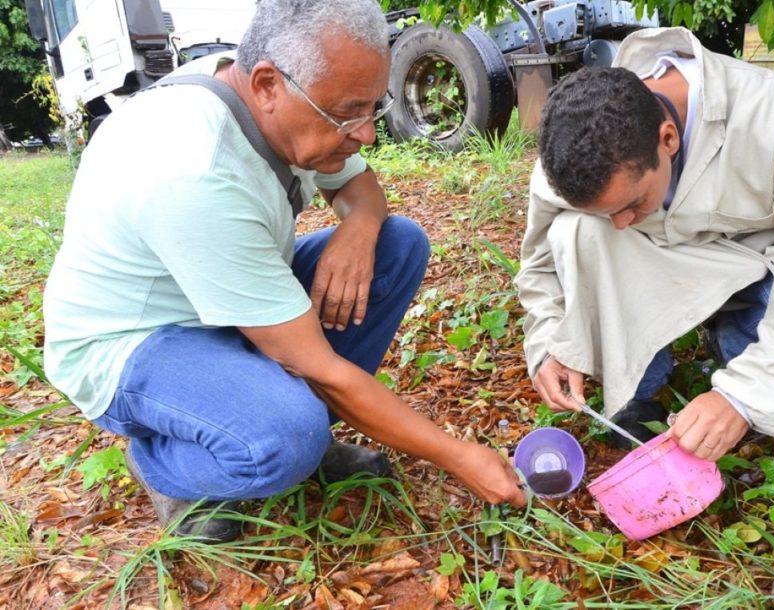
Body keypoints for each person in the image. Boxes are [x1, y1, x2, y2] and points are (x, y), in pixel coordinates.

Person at [43, 0, 525, 543]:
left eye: (372, 108)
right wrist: (459, 457)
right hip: (134, 341)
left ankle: (281, 417)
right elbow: (321, 368)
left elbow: (359, 190)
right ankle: (165, 464)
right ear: (268, 86)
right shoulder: (194, 171)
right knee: (286, 434)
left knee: (397, 245)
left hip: (220, 295)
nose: (365, 134)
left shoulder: (263, 89)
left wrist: (359, 228)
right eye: (347, 115)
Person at [516, 27, 774, 461]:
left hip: (754, 265)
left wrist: (743, 398)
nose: (621, 223)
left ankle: (755, 355)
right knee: (577, 232)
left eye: (633, 203)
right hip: (656, 264)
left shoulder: (766, 114)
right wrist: (545, 347)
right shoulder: (571, 150)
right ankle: (638, 392)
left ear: (667, 139)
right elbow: (538, 264)